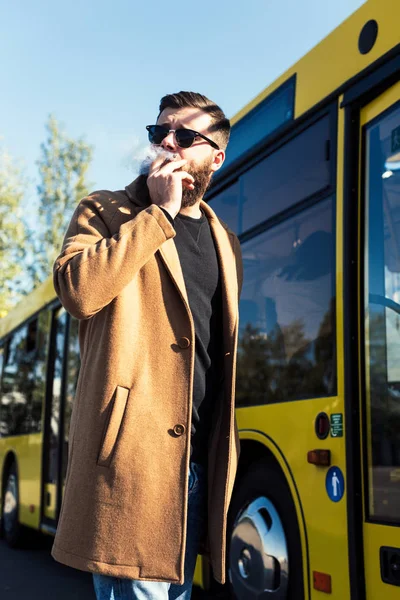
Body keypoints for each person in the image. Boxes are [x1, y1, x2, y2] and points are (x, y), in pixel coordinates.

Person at [51, 91, 243, 600]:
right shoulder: (105, 209)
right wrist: (159, 215)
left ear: (216, 158)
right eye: (160, 133)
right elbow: (79, 292)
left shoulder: (227, 241)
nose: (168, 143)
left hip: (199, 461)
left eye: (185, 136)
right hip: (133, 459)